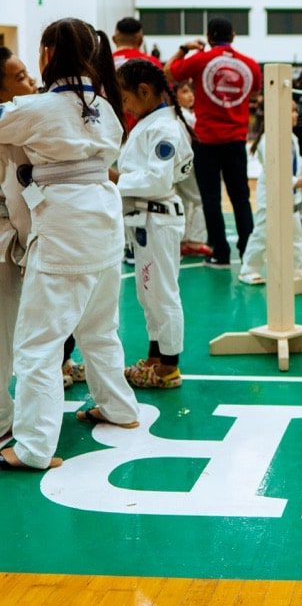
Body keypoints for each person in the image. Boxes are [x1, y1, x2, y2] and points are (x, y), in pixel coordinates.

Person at [0, 19, 140, 472]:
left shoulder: (37, 108)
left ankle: (33, 448)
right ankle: (120, 409)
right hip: (103, 218)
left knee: (38, 344)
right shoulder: (103, 106)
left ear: (46, 53)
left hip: (64, 227)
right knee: (99, 329)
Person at [115, 58, 195, 387]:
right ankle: (154, 357)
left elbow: (158, 181)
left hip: (157, 218)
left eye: (125, 98)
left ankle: (169, 367)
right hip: (145, 219)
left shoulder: (164, 128)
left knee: (162, 294)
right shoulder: (152, 123)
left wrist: (112, 179)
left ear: (144, 91)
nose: (125, 106)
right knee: (149, 295)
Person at [167, 16, 261, 268]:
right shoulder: (250, 65)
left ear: (208, 38)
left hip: (206, 140)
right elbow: (255, 89)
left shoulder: (200, 60)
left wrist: (185, 49)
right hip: (236, 140)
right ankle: (247, 252)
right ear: (233, 37)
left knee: (211, 198)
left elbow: (168, 71)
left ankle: (220, 252)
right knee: (241, 198)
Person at [0, 49, 38, 445]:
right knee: (3, 335)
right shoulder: (13, 130)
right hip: (4, 241)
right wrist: (31, 248)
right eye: (22, 76)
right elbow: (17, 200)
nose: (31, 83)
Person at [239, 101, 302, 285]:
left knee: (296, 235)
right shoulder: (269, 139)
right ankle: (248, 269)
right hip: (271, 197)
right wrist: (296, 181)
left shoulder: (292, 138)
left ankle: (300, 266)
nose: (296, 115)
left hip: (291, 198)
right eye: (292, 111)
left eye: (296, 111)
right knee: (262, 234)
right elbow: (274, 171)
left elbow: (297, 162)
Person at [173, 81, 211, 257]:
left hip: (178, 164)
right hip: (188, 163)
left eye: (191, 92)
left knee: (184, 201)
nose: (190, 96)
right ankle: (195, 241)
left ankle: (183, 238)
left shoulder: (177, 114)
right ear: (175, 94)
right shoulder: (186, 116)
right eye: (185, 91)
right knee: (200, 199)